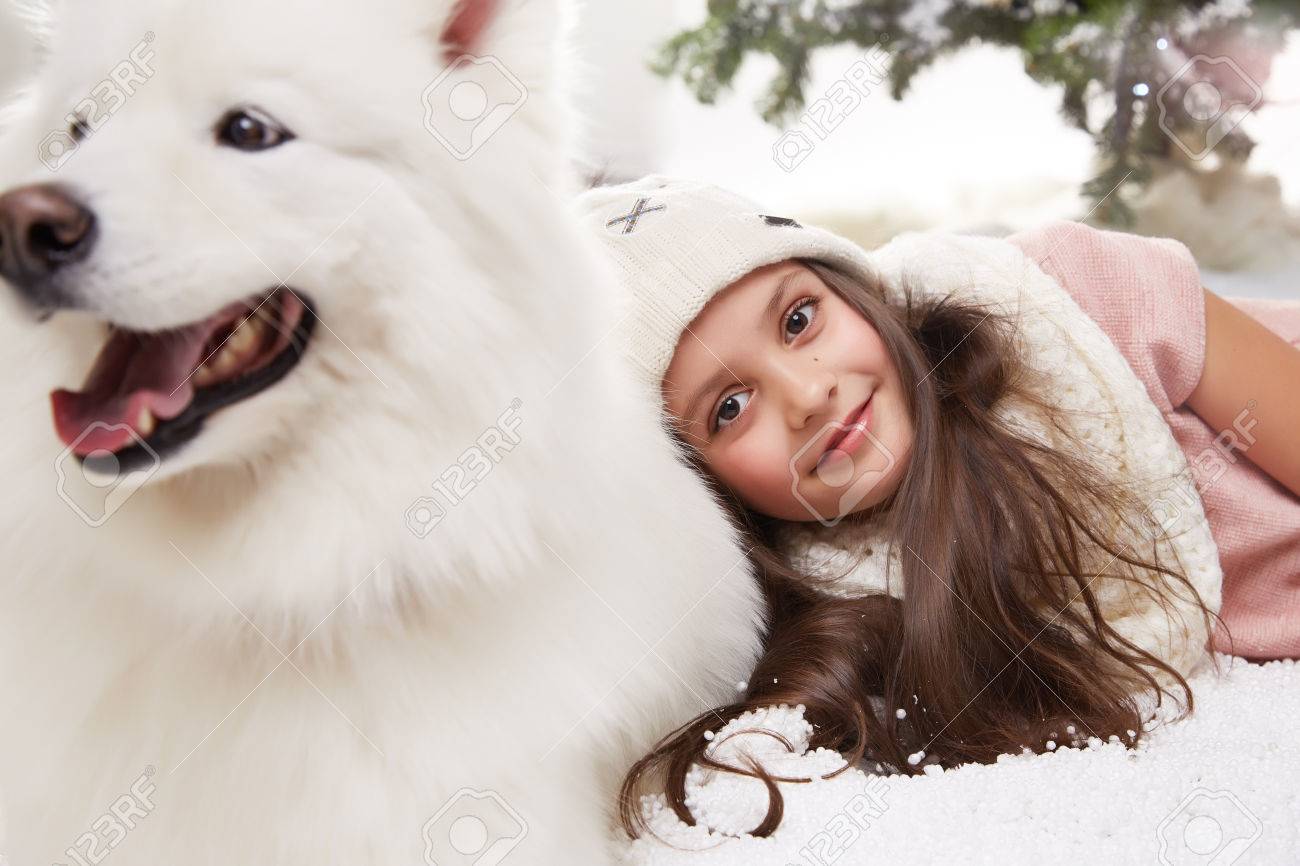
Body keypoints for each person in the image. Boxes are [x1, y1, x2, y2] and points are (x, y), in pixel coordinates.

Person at [575, 175, 1300, 839]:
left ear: (854, 289)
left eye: (799, 321)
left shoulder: (1069, 292)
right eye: (730, 407)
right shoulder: (821, 601)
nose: (807, 395)